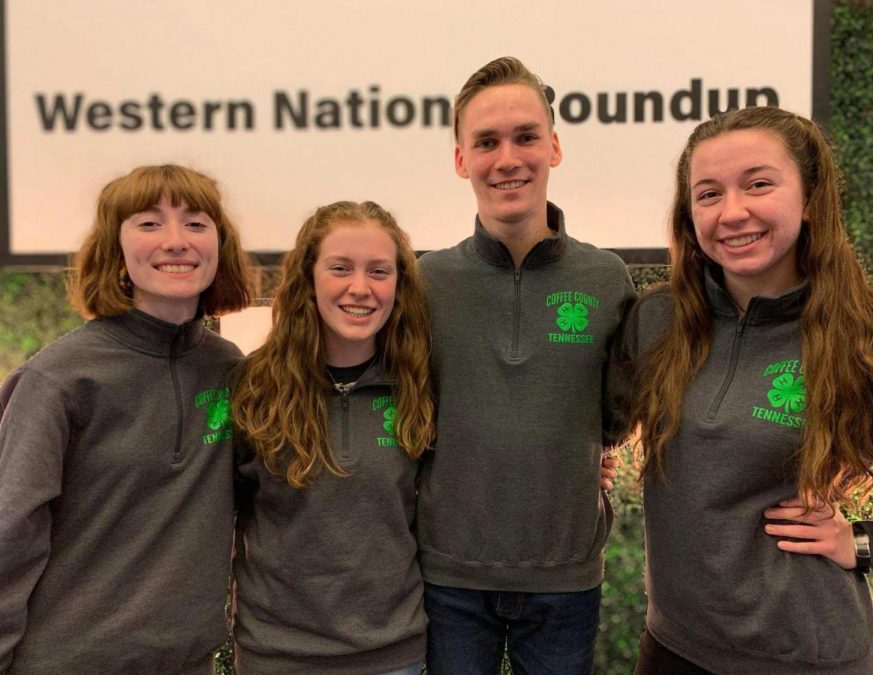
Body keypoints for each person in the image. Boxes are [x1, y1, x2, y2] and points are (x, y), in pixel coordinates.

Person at [606, 106, 873, 674]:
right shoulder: (657, 320)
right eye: (708, 194)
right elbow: (587, 426)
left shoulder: (870, 329)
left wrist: (864, 543)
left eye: (759, 184)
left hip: (809, 659)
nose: (732, 212)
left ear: (810, 198)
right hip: (674, 650)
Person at [416, 56, 635, 674]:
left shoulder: (606, 278)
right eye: (486, 142)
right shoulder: (424, 282)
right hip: (448, 577)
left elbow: (614, 414)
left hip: (565, 581)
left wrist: (577, 453)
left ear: (554, 147)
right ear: (461, 159)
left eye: (525, 136)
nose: (507, 158)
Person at [0, 164, 254, 673]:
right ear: (115, 249)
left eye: (196, 224)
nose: (176, 241)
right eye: (149, 223)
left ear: (219, 248)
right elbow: (10, 534)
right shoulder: (59, 379)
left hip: (189, 662)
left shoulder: (231, 370)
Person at [229, 200, 434, 674]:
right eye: (340, 268)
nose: (360, 288)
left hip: (393, 656)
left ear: (399, 285)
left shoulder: (420, 386)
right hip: (277, 657)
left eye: (378, 271)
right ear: (308, 277)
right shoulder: (252, 388)